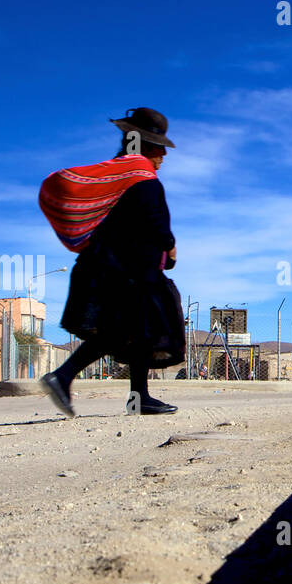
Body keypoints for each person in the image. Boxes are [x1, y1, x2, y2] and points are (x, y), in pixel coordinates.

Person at [40, 107, 185, 416]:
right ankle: (63, 376)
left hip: (106, 268)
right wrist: (170, 247)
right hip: (128, 274)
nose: (163, 154)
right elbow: (156, 223)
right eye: (159, 146)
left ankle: (139, 398)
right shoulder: (143, 179)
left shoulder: (117, 176)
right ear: (145, 145)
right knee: (121, 332)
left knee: (137, 335)